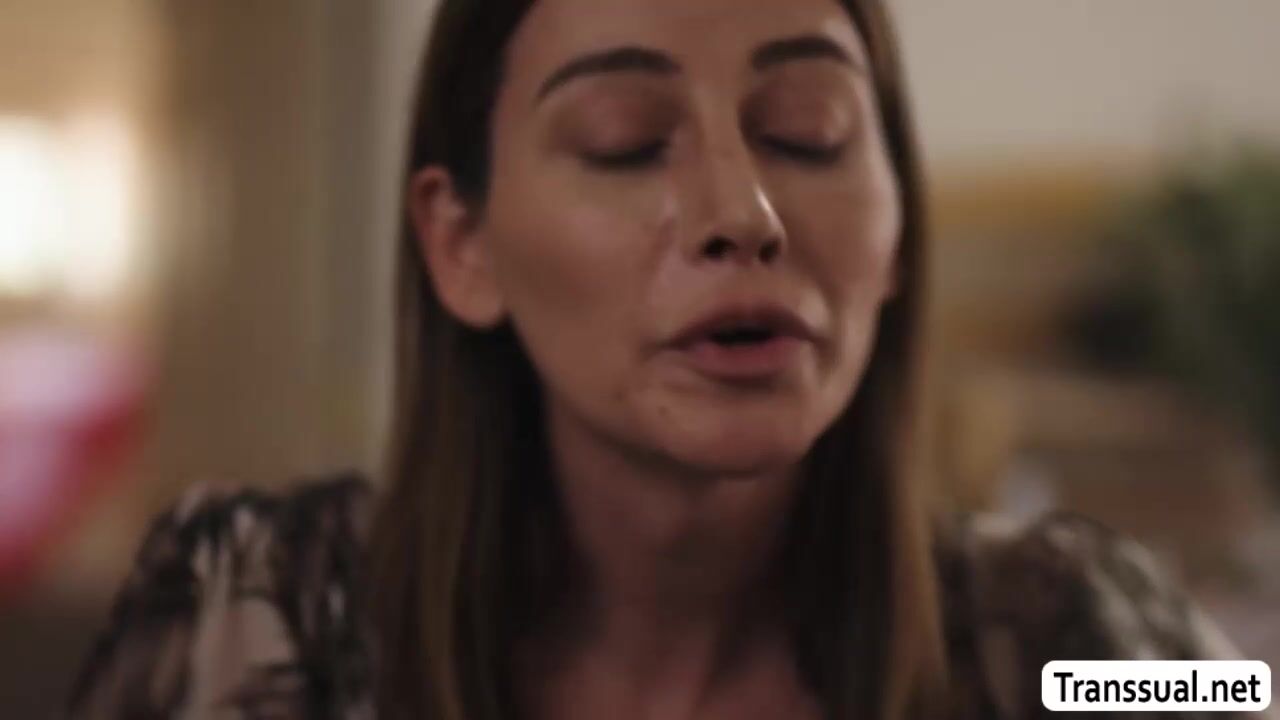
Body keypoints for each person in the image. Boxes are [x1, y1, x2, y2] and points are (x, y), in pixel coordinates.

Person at [67, 0, 1254, 718]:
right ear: (461, 243)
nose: (744, 213)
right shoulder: (249, 620)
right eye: (624, 143)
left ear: (897, 227)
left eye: (807, 134)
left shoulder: (1072, 641)